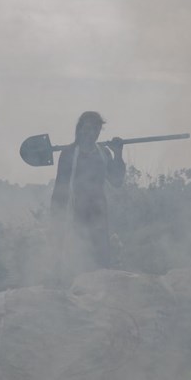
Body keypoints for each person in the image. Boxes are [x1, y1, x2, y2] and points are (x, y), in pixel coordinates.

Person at [50, 111, 126, 276]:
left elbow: (117, 181)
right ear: (79, 130)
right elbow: (60, 188)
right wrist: (56, 219)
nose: (91, 133)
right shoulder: (69, 153)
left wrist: (118, 153)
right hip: (75, 212)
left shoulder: (104, 153)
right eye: (87, 129)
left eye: (95, 129)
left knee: (100, 260)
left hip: (99, 213)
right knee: (75, 257)